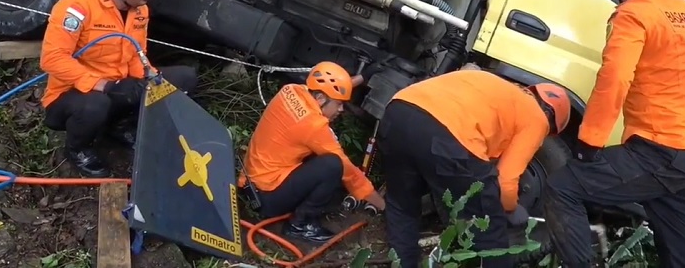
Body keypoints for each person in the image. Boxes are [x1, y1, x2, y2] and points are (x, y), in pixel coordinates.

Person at [543, 0, 685, 268]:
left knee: (562, 187)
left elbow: (614, 78)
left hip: (663, 151)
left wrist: (589, 141)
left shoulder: (632, 15)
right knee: (682, 257)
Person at [377, 63, 571, 268]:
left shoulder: (495, 86)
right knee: (490, 229)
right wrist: (511, 208)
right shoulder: (537, 118)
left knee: (402, 207)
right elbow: (506, 181)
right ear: (551, 121)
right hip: (446, 138)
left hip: (397, 113)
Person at [40, 0, 198, 178]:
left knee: (184, 78)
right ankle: (78, 149)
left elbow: (137, 54)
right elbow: (52, 59)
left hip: (116, 87)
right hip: (71, 98)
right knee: (96, 104)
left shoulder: (140, 11)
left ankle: (119, 126)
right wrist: (100, 84)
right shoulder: (77, 6)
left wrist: (151, 76)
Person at [239, 61, 385, 243]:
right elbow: (350, 173)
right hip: (268, 197)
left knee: (320, 159)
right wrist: (383, 205)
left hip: (251, 182)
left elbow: (328, 89)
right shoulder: (313, 126)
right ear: (320, 99)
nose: (341, 110)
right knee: (333, 165)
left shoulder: (292, 90)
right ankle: (300, 225)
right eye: (339, 104)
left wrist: (363, 77)